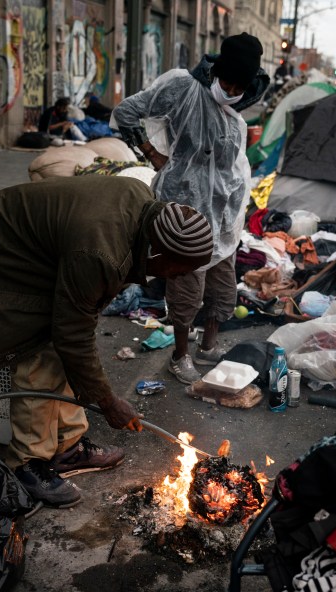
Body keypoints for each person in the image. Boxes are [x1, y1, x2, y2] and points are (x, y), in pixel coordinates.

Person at [0, 176, 214, 508]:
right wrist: (107, 401)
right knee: (38, 348)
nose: (175, 279)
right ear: (158, 251)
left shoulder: (142, 204)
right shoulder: (100, 253)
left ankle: (68, 447)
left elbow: (78, 330)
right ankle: (29, 463)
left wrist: (97, 390)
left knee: (68, 349)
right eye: (176, 271)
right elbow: (70, 334)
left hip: (42, 249)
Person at [112, 32, 269, 385]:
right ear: (215, 71)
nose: (229, 89)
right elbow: (126, 112)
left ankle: (208, 346)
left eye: (237, 86)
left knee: (222, 284)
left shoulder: (237, 113)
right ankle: (180, 355)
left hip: (225, 212)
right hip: (186, 207)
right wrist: (152, 154)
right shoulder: (183, 87)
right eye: (225, 81)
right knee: (187, 284)